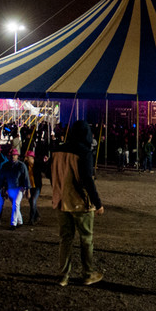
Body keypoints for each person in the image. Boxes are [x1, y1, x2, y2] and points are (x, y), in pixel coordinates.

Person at [51, 120, 105, 286]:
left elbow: (49, 172)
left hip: (60, 201)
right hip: (80, 202)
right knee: (86, 238)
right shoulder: (84, 152)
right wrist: (98, 203)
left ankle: (63, 276)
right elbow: (87, 180)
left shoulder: (57, 150)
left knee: (65, 238)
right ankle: (88, 274)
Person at [0, 148, 29, 228]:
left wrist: (27, 189)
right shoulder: (6, 166)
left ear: (17, 156)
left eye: (14, 155)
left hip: (19, 187)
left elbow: (26, 178)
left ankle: (13, 223)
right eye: (11, 155)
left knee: (15, 204)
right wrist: (3, 188)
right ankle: (20, 221)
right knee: (15, 204)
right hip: (10, 187)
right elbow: (3, 178)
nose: (13, 157)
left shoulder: (22, 166)